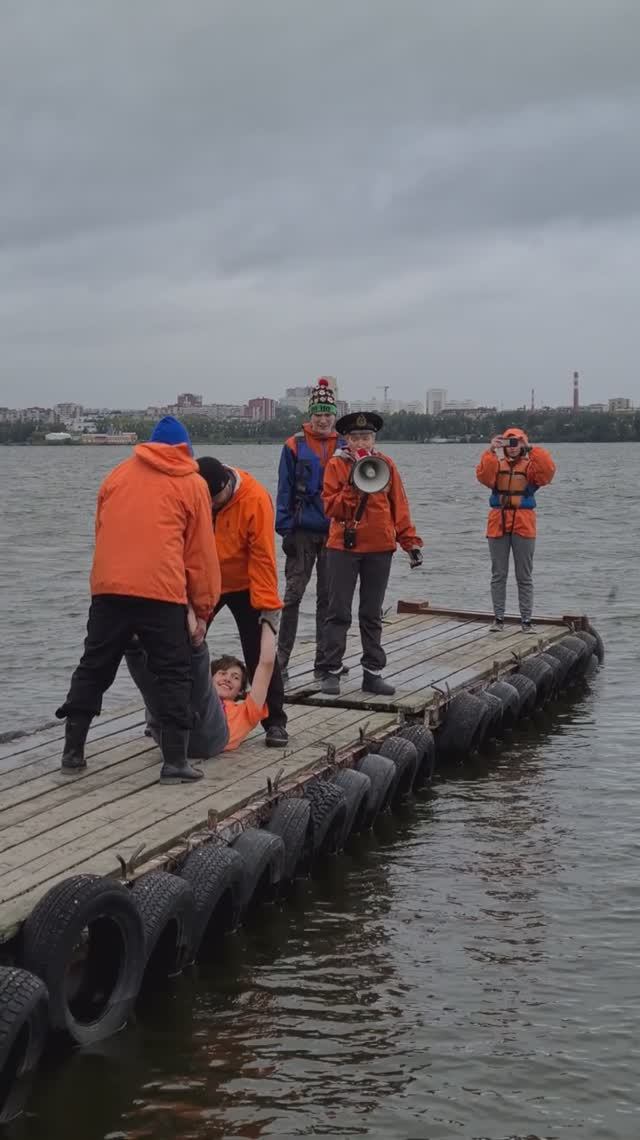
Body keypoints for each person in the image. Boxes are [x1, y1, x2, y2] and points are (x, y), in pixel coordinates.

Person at [55, 415, 221, 782]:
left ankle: (72, 752)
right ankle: (175, 762)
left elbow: (102, 532)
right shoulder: (192, 483)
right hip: (161, 592)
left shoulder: (116, 476)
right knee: (173, 673)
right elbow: (201, 555)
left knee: (94, 667)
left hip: (109, 589)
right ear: (185, 450)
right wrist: (203, 609)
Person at [317, 411, 423, 696]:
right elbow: (331, 508)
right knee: (338, 611)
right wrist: (353, 485)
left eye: (366, 437)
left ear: (374, 439)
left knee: (371, 613)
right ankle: (331, 670)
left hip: (380, 547)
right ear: (346, 440)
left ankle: (373, 672)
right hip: (344, 548)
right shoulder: (336, 465)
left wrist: (410, 542)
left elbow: (399, 506)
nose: (361, 442)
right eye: (355, 438)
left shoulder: (386, 464)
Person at [197, 456, 288, 746]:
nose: (211, 504)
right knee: (182, 646)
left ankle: (275, 722)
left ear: (227, 484)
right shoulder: (194, 494)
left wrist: (268, 609)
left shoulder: (255, 499)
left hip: (246, 583)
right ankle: (168, 715)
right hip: (208, 580)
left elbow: (263, 558)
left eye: (215, 499)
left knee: (258, 650)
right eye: (206, 500)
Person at [126, 607, 277, 758]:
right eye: (222, 673)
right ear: (212, 678)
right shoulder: (199, 692)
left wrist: (269, 619)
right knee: (162, 682)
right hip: (171, 737)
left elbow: (266, 664)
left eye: (235, 677)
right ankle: (133, 642)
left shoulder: (246, 711)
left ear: (241, 690)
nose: (227, 678)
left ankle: (186, 615)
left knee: (197, 662)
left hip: (212, 741)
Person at [275, 378, 346, 682]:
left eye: (327, 414)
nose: (322, 420)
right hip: (302, 531)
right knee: (292, 596)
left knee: (328, 600)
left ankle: (324, 661)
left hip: (334, 531)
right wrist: (285, 530)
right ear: (310, 415)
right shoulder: (294, 445)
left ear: (334, 415)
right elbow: (284, 489)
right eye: (318, 414)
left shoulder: (345, 446)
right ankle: (280, 662)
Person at [475, 426, 556, 633]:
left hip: (523, 522)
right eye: (509, 442)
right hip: (498, 523)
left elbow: (547, 473)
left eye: (516, 443)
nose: (512, 447)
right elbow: (484, 476)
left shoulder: (531, 466)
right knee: (498, 574)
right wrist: (491, 450)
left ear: (523, 444)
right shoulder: (496, 463)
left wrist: (531, 448)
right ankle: (498, 619)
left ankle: (526, 621)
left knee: (524, 576)